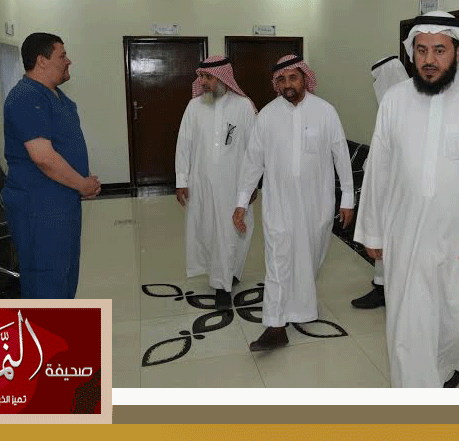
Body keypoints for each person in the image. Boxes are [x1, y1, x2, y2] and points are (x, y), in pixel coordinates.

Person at [353, 11, 459, 388]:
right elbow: (379, 168)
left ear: (458, 52)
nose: (429, 60)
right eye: (421, 50)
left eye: (439, 50)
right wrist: (373, 231)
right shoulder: (396, 99)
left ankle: (446, 373)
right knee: (408, 331)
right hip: (407, 238)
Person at [233, 55, 355, 351]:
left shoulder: (325, 112)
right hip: (279, 204)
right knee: (278, 261)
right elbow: (252, 162)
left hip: (317, 204)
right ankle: (275, 325)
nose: (287, 84)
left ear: (304, 79)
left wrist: (348, 199)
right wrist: (241, 202)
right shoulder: (267, 115)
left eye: (293, 78)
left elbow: (341, 155)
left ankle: (299, 308)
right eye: (281, 79)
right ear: (275, 84)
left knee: (309, 259)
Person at [2, 32, 101, 298]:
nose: (68, 61)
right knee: (45, 279)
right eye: (62, 55)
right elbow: (42, 157)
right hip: (39, 207)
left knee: (64, 273)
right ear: (42, 60)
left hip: (62, 203)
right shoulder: (26, 97)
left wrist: (81, 182)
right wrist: (82, 184)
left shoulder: (56, 97)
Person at [175, 56, 257, 308]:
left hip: (234, 185)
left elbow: (254, 149)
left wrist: (253, 183)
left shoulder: (243, 106)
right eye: (201, 77)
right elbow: (184, 144)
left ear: (223, 78)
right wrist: (181, 180)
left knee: (232, 231)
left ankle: (225, 279)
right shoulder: (194, 106)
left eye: (208, 77)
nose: (203, 82)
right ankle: (221, 277)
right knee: (210, 230)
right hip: (201, 183)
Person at [350, 56, 408, 310]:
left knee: (395, 245)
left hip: (401, 196)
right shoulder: (390, 110)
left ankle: (390, 291)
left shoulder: (407, 113)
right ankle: (382, 286)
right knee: (382, 242)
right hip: (386, 194)